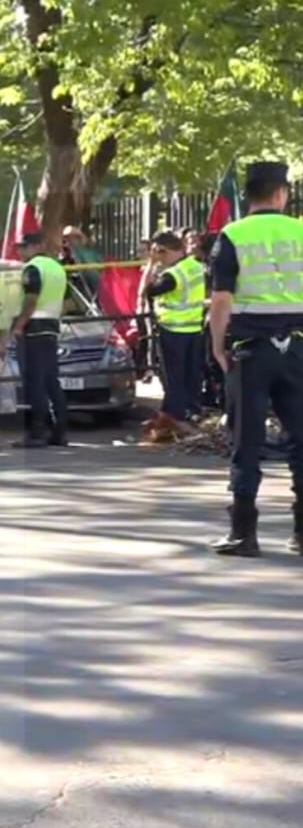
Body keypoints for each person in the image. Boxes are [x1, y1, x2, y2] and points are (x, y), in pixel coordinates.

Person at [208, 162, 303, 556]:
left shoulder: (232, 235)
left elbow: (222, 299)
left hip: (251, 349)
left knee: (246, 439)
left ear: (249, 196)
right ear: (281, 194)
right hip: (298, 346)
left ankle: (243, 533)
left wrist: (217, 346)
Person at [142, 230, 207, 437]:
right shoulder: (196, 266)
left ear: (166, 250)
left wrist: (151, 265)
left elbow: (146, 291)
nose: (159, 257)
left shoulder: (173, 275)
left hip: (173, 330)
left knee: (173, 377)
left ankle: (175, 416)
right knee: (190, 374)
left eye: (160, 252)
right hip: (194, 328)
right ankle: (188, 412)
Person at [9, 233, 69, 448]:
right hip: (51, 326)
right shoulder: (57, 268)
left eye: (22, 248)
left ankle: (36, 432)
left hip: (34, 327)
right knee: (51, 380)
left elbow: (31, 299)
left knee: (34, 381)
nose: (20, 252)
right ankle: (59, 431)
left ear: (34, 247)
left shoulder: (33, 268)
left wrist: (18, 325)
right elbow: (68, 301)